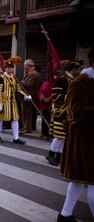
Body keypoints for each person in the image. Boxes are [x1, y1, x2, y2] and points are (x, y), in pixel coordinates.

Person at [57, 48, 94, 222]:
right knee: (87, 180)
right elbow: (76, 112)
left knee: (79, 179)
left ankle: (65, 214)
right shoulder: (80, 82)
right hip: (84, 138)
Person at [47, 61, 81, 166]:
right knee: (59, 136)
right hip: (60, 111)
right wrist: (71, 98)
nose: (80, 71)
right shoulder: (61, 80)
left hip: (68, 112)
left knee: (64, 136)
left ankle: (59, 156)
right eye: (79, 69)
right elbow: (55, 96)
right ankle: (51, 154)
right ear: (74, 69)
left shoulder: (72, 80)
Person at [0, 57, 31, 144]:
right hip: (3, 102)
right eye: (8, 67)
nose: (9, 69)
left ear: (13, 68)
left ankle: (16, 138)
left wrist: (25, 96)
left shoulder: (14, 78)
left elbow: (18, 89)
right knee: (0, 119)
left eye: (11, 67)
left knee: (15, 119)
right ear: (5, 68)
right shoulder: (1, 77)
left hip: (12, 103)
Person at [20, 59, 40, 133]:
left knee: (27, 112)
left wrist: (20, 82)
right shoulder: (29, 73)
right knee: (24, 111)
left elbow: (29, 84)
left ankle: (28, 128)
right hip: (25, 95)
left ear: (29, 66)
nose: (24, 68)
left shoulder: (34, 74)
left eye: (25, 66)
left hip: (30, 95)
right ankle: (25, 126)